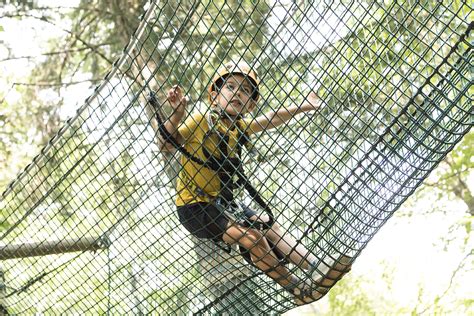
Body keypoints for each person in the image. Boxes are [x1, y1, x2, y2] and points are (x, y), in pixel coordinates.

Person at [156, 61, 351, 305]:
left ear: (250, 104)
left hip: (222, 203)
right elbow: (166, 145)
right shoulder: (200, 120)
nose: (238, 92)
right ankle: (296, 287)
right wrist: (176, 115)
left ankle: (315, 266)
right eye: (230, 87)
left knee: (269, 226)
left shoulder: (239, 127)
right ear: (214, 97)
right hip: (193, 208)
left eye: (246, 91)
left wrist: (304, 106)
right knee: (253, 239)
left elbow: (271, 118)